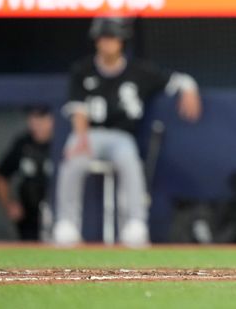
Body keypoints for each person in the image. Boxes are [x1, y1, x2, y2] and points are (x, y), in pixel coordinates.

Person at [53, 17, 202, 246]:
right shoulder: (82, 70)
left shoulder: (139, 71)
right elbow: (78, 110)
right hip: (89, 134)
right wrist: (81, 138)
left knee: (129, 160)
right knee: (73, 156)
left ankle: (135, 224)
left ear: (122, 42)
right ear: (96, 41)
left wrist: (190, 88)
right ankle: (66, 224)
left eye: (113, 38)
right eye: (104, 38)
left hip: (121, 137)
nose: (108, 43)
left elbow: (178, 80)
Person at [0, 104, 54, 241]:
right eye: (33, 118)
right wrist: (8, 204)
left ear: (51, 120)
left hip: (56, 211)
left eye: (41, 118)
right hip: (28, 215)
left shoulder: (61, 142)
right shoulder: (23, 143)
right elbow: (2, 175)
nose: (35, 123)